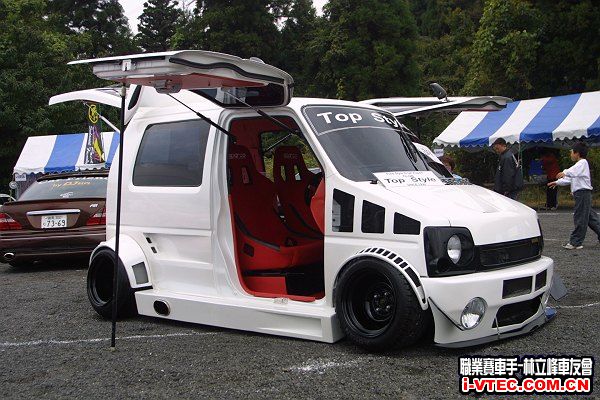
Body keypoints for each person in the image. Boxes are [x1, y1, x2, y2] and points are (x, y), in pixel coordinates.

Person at [548, 142, 600, 250]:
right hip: (582, 194)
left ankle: (576, 242)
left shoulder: (582, 163)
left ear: (577, 153)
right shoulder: (579, 166)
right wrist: (557, 182)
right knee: (591, 218)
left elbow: (572, 172)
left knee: (580, 218)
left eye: (572, 152)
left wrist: (564, 172)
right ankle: (577, 241)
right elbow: (570, 179)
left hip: (582, 194)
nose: (570, 154)